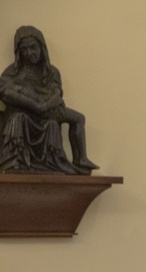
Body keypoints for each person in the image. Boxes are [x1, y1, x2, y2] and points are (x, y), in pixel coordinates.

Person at [0, 26, 98, 174]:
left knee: (78, 118)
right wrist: (34, 105)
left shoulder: (51, 72)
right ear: (19, 52)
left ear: (42, 47)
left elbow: (56, 94)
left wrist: (44, 105)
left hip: (48, 110)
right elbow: (6, 93)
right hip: (25, 111)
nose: (29, 53)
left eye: (33, 48)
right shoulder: (12, 72)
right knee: (20, 117)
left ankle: (81, 159)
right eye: (24, 50)